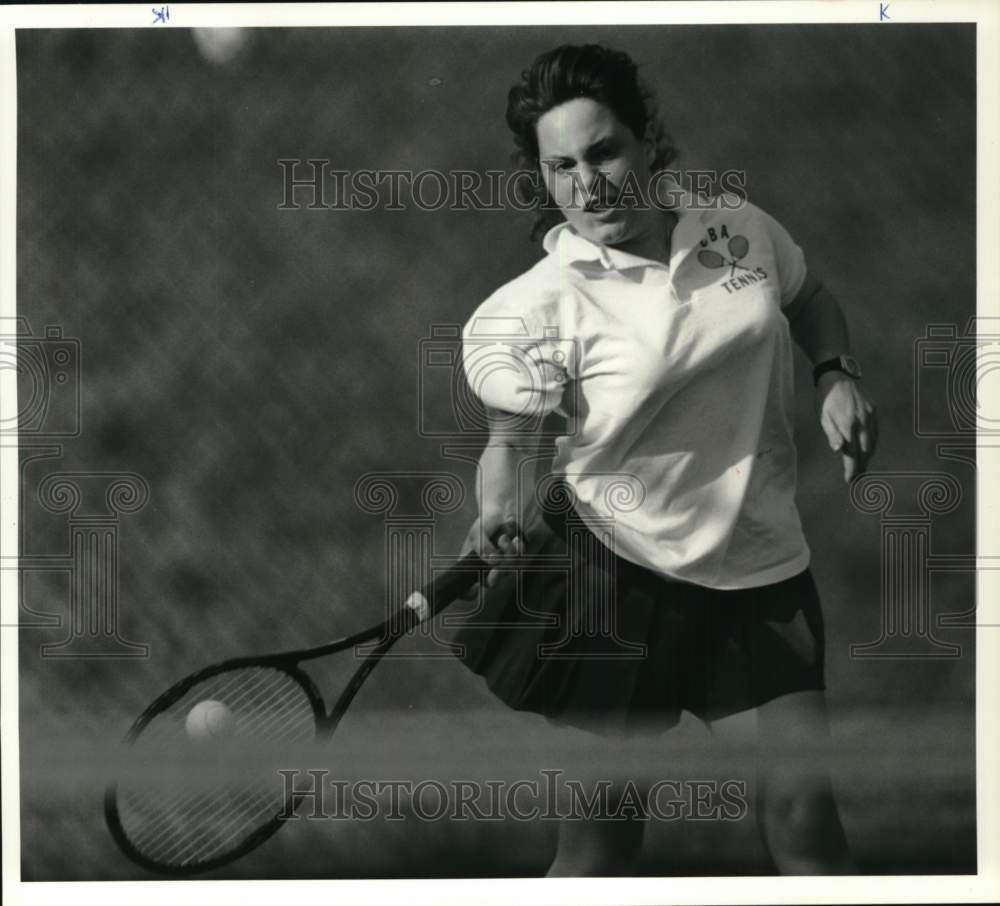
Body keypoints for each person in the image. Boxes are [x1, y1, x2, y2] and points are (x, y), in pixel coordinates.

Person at [452, 43, 877, 877]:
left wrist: (836, 375)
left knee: (806, 822)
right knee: (598, 851)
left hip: (758, 574)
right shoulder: (538, 306)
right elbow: (510, 445)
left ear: (648, 141)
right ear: (541, 176)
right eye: (562, 165)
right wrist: (496, 509)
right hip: (614, 581)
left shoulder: (740, 230)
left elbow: (809, 300)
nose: (589, 184)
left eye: (605, 151)